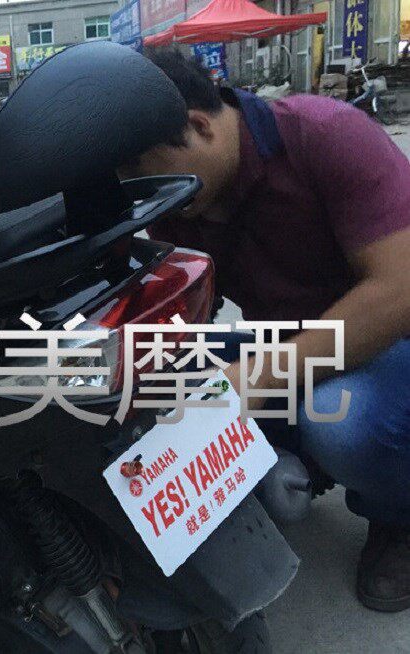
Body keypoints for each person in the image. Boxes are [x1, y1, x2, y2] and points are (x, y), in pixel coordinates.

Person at [122, 50, 410, 612]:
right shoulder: (180, 202)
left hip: (392, 340)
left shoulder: (324, 135)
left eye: (145, 175)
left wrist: (259, 378)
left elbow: (399, 290)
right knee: (154, 369)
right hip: (296, 348)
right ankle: (286, 459)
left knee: (343, 423)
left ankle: (399, 517)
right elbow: (181, 314)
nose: (144, 194)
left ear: (200, 126)